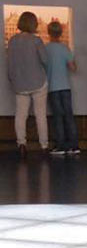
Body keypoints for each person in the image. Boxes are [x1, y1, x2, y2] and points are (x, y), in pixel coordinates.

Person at [7, 11, 48, 158]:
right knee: (40, 115)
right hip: (38, 81)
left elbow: (9, 64)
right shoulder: (36, 41)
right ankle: (43, 146)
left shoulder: (12, 41)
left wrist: (12, 79)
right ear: (33, 24)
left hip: (19, 83)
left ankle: (22, 144)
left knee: (20, 115)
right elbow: (45, 60)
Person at [45, 21, 79, 156]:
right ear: (60, 33)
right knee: (69, 116)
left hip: (52, 87)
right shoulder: (64, 48)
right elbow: (73, 68)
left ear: (48, 33)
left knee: (58, 116)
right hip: (65, 86)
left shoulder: (45, 49)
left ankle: (60, 145)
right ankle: (74, 145)